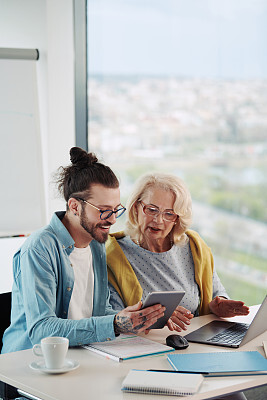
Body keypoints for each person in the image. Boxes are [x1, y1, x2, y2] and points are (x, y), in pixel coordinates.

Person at [1, 149, 165, 353]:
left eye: (116, 210)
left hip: (78, 355)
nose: (113, 219)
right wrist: (114, 324)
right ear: (75, 206)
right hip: (29, 364)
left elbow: (96, 311)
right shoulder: (39, 248)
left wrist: (131, 318)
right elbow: (42, 330)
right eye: (104, 210)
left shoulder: (96, 244)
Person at [106, 172, 249, 332]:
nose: (158, 220)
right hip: (144, 346)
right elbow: (114, 318)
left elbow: (217, 291)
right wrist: (157, 316)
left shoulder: (194, 246)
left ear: (177, 218)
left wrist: (220, 304)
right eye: (152, 210)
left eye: (169, 214)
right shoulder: (113, 254)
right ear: (136, 207)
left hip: (194, 342)